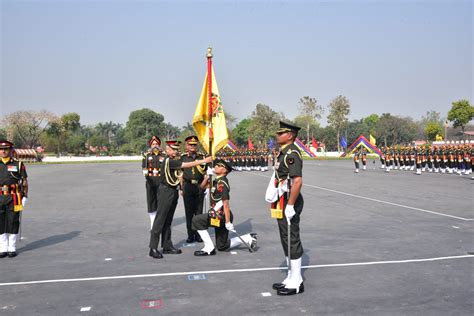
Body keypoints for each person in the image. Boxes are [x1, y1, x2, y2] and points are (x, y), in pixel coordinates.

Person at [149, 140, 212, 259]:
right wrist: (204, 161)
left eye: (177, 149)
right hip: (165, 191)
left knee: (168, 220)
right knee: (160, 220)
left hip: (173, 190)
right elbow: (185, 165)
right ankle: (153, 248)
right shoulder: (169, 160)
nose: (176, 151)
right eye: (173, 149)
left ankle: (167, 245)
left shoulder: (174, 159)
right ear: (167, 150)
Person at [192, 158, 256, 256]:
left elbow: (225, 203)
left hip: (221, 215)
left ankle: (209, 248)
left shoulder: (222, 183)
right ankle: (248, 238)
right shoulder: (216, 181)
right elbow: (202, 187)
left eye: (219, 166)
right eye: (216, 165)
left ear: (224, 170)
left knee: (197, 220)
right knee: (222, 246)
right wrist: (207, 176)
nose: (216, 166)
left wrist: (227, 221)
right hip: (217, 215)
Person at [270, 121, 305, 296]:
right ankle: (290, 275)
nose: (277, 136)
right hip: (281, 199)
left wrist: (290, 205)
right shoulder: (283, 153)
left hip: (289, 200)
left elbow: (297, 180)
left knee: (291, 237)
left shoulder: (291, 153)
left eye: (281, 133)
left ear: (290, 135)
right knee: (285, 236)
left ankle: (297, 280)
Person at [0, 140, 28, 258]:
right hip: (0, 196)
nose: (3, 151)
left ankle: (12, 247)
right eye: (1, 149)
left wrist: (25, 196)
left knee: (13, 221)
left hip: (14, 197)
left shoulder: (18, 164)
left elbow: (25, 182)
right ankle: (2, 247)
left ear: (11, 150)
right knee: (0, 222)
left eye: (6, 149)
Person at [180, 136, 206, 243]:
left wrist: (206, 187)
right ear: (186, 146)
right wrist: (181, 188)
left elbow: (207, 174)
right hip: (188, 187)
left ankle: (199, 235)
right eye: (190, 145)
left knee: (199, 213)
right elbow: (180, 174)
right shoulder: (183, 157)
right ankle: (190, 235)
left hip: (200, 187)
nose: (192, 147)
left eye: (194, 144)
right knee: (189, 213)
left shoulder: (202, 157)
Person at [142, 136, 164, 230]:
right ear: (150, 145)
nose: (155, 146)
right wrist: (146, 177)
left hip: (161, 182)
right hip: (150, 182)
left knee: (161, 203)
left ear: (159, 145)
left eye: (156, 144)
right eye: (153, 144)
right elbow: (144, 167)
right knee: (151, 202)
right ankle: (152, 223)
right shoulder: (146, 155)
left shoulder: (163, 155)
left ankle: (160, 223)